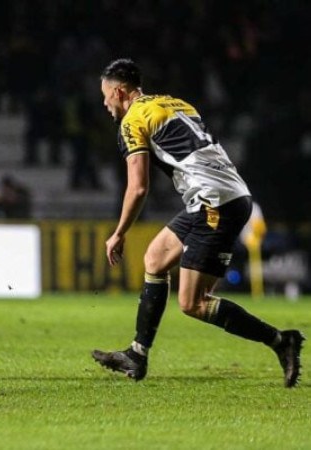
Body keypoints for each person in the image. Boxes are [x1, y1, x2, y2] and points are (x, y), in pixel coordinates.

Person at [91, 58, 305, 388]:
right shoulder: (175, 103)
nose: (105, 104)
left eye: (106, 96)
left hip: (213, 202)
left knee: (194, 303)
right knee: (155, 258)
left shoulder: (133, 121)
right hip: (223, 195)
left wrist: (118, 233)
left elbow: (139, 186)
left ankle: (281, 341)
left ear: (119, 91)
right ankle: (137, 353)